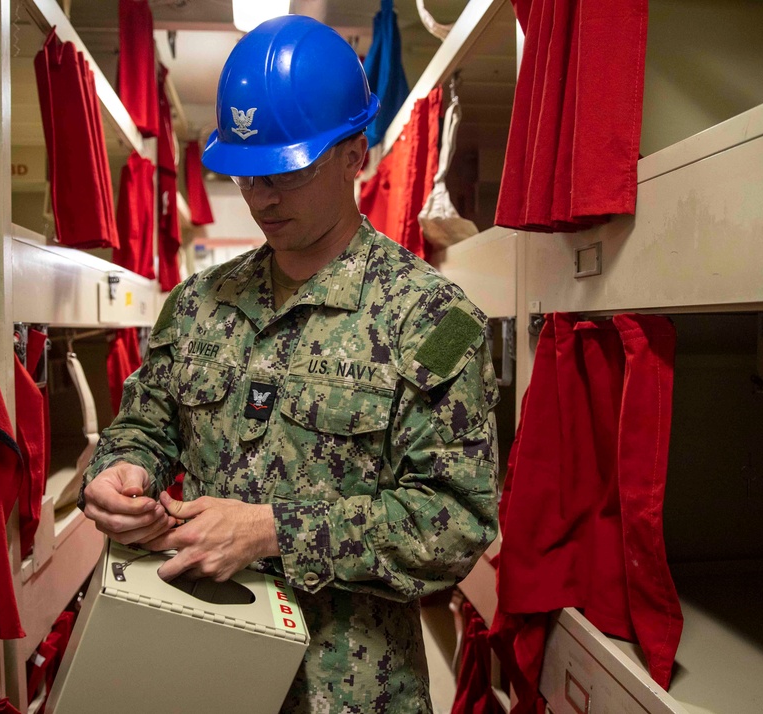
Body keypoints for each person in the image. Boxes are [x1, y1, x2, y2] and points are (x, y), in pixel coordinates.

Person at [79, 15, 499, 713]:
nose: (262, 198)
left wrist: (275, 528)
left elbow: (454, 522)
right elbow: (145, 426)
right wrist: (123, 470)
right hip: (205, 669)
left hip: (349, 692)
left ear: (354, 155)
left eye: (287, 172)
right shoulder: (196, 305)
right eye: (246, 174)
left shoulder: (436, 322)